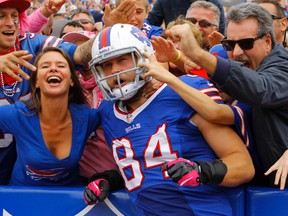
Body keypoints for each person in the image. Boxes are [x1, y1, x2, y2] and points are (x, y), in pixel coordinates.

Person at [83, 24, 254, 215]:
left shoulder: (184, 92)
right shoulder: (107, 112)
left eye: (122, 60)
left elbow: (243, 166)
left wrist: (201, 171)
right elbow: (145, 168)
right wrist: (111, 179)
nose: (114, 71)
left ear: (144, 57)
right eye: (106, 65)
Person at [0, 0, 135, 185]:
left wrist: (108, 30)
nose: (10, 23)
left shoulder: (32, 44)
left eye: (15, 17)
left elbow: (79, 54)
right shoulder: (18, 114)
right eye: (1, 16)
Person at [166, 2, 288, 189]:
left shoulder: (282, 67)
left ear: (267, 42)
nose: (237, 52)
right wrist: (177, 60)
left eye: (246, 43)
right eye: (230, 44)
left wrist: (197, 54)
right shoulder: (242, 64)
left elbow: (262, 89)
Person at [0, 46, 101, 185]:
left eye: (60, 65)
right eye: (45, 66)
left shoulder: (88, 117)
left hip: (73, 201)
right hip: (22, 199)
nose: (53, 69)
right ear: (36, 83)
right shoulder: (19, 115)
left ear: (72, 80)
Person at [146, 0, 226, 34]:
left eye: (204, 23)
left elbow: (221, 32)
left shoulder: (215, 4)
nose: (196, 27)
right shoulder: (165, 2)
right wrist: (166, 36)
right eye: (191, 21)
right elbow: (148, 26)